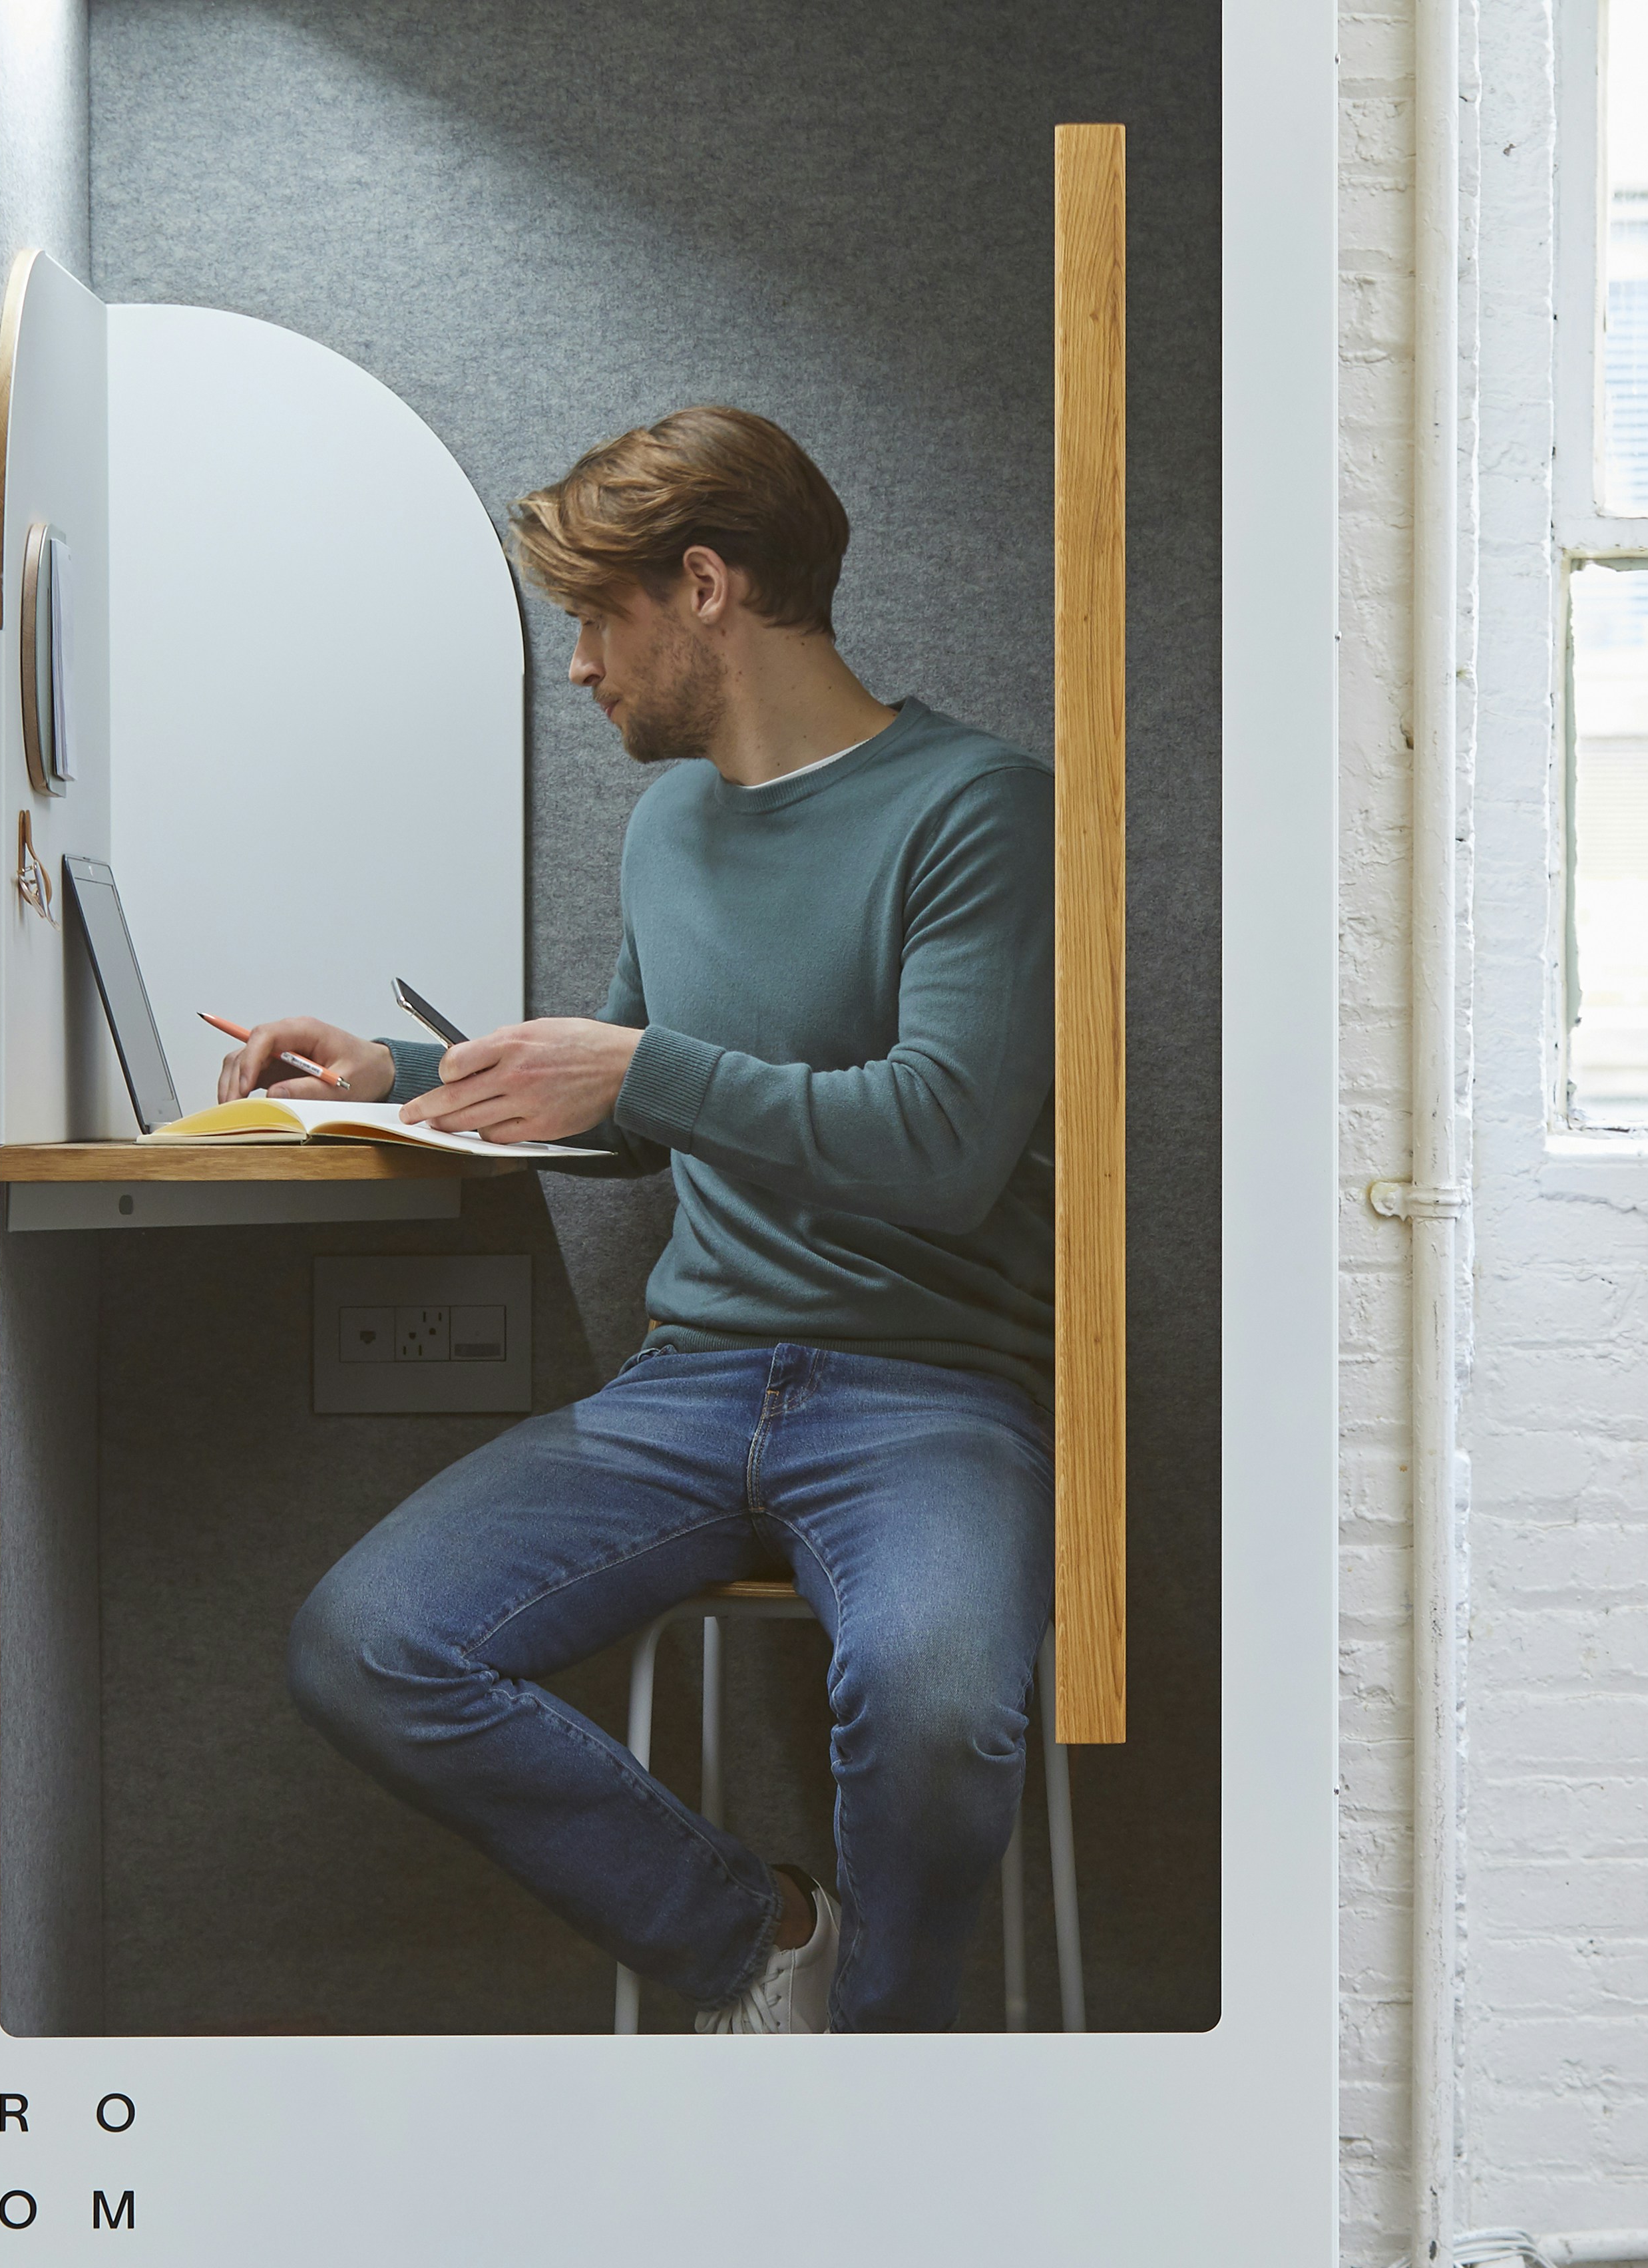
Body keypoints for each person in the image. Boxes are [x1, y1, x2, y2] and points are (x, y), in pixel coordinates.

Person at [222, 407, 1056, 2036]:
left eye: (597, 621)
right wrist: (390, 1071)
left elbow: (944, 1143)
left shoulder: (977, 810)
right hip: (688, 1389)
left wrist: (642, 1067)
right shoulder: (670, 822)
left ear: (703, 587)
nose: (585, 667)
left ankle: (883, 2102)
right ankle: (764, 1944)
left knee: (940, 1701)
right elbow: (637, 1108)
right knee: (367, 1642)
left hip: (927, 1393)